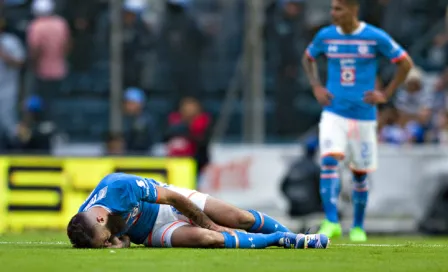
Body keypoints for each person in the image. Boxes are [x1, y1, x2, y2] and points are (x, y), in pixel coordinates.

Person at [302, 0, 413, 241]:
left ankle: (358, 227)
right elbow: (308, 57)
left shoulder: (374, 37)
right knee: (329, 161)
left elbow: (405, 63)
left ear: (353, 10)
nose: (333, 13)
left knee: (359, 173)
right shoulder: (326, 36)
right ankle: (331, 221)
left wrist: (386, 93)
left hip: (363, 116)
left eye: (338, 9)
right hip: (334, 112)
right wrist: (316, 87)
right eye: (332, 8)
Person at [67, 173, 329, 249]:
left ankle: (294, 237)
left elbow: (172, 198)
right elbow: (120, 239)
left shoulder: (121, 188)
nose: (106, 245)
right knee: (209, 240)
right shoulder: (87, 222)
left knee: (240, 218)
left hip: (172, 203)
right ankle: (282, 239)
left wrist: (210, 223)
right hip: (152, 231)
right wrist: (118, 244)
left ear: (101, 217)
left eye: (103, 241)